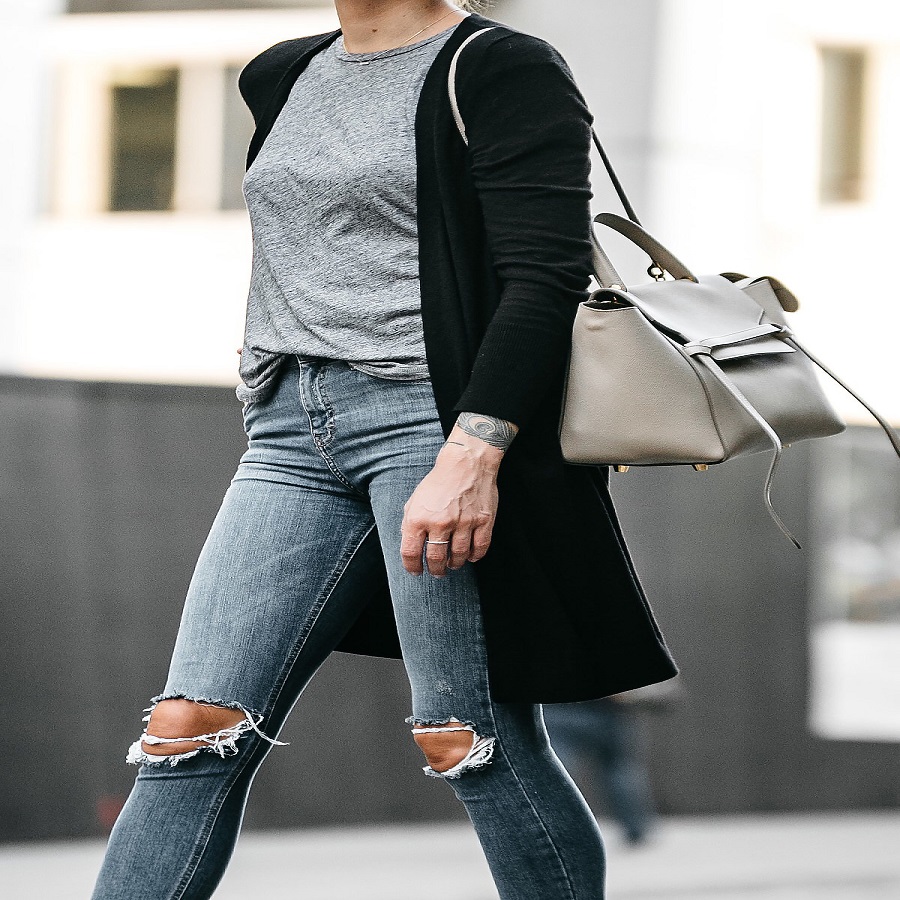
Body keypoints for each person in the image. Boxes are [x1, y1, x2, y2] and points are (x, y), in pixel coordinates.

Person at [91, 2, 677, 898]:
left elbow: (545, 276)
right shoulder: (281, 72)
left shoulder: (498, 66)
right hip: (289, 430)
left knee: (469, 736)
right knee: (188, 727)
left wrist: (473, 453)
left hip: (431, 423)